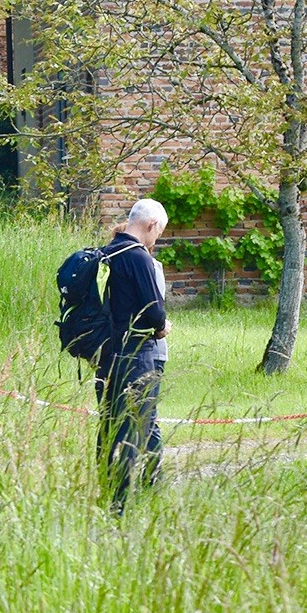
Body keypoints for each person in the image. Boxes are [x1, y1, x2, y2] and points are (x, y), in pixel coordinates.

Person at [97, 198, 169, 512]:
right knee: (132, 428)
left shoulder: (107, 253)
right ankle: (120, 504)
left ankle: (107, 489)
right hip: (135, 354)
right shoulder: (137, 257)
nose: (156, 240)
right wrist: (162, 326)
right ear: (151, 225)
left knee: (110, 426)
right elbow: (155, 312)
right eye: (159, 233)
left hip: (106, 352)